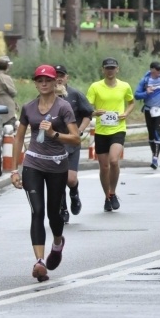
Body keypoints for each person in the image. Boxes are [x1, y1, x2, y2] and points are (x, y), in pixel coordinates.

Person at [11, 65, 79, 282]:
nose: (43, 83)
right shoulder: (28, 108)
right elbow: (19, 138)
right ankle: (39, 262)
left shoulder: (63, 107)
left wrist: (53, 133)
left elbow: (76, 138)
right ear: (35, 83)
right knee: (37, 211)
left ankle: (58, 243)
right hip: (33, 164)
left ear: (55, 83)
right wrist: (15, 169)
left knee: (53, 214)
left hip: (57, 165)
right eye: (39, 80)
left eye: (47, 80)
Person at [86, 58, 135, 211]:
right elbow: (87, 107)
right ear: (103, 70)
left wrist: (126, 113)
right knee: (104, 167)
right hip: (101, 130)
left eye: (113, 68)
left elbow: (131, 102)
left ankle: (113, 193)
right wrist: (94, 112)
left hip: (118, 129)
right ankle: (107, 196)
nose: (110, 71)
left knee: (114, 161)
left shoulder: (124, 86)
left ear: (117, 69)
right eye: (107, 68)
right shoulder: (95, 87)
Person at [54, 65, 93, 223]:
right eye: (56, 75)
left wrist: (80, 130)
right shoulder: (46, 96)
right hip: (54, 145)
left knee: (70, 179)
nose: (59, 78)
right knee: (58, 180)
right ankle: (62, 208)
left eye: (61, 75)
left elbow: (88, 114)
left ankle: (74, 194)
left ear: (67, 77)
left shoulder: (75, 94)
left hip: (71, 143)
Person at [134, 61, 160, 169]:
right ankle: (154, 153)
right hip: (149, 109)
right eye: (158, 69)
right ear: (152, 70)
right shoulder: (145, 80)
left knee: (157, 131)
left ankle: (155, 158)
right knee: (151, 134)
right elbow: (136, 95)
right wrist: (146, 93)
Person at [0, 56, 18, 127]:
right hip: (6, 104)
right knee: (9, 125)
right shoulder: (5, 77)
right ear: (6, 67)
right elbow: (13, 92)